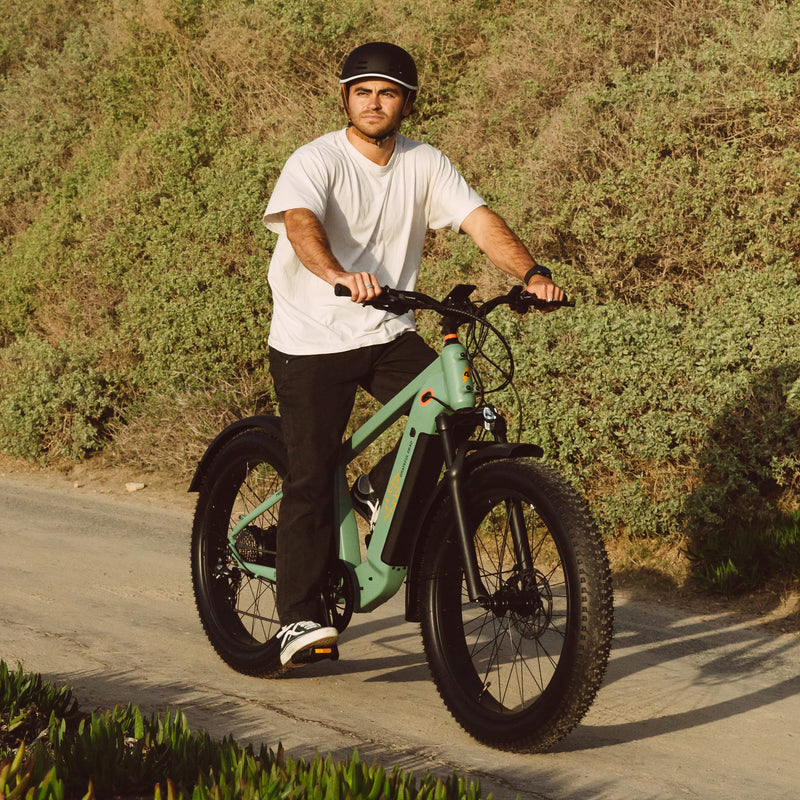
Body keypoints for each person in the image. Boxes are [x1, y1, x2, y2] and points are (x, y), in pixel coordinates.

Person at [262, 42, 565, 666]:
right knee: (313, 473)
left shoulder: (425, 162)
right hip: (311, 335)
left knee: (450, 414)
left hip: (383, 328)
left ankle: (376, 488)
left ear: (406, 103)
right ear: (346, 96)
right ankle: (297, 618)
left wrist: (531, 271)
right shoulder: (315, 160)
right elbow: (300, 224)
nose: (375, 102)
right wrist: (337, 274)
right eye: (364, 91)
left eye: (389, 92)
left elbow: (479, 220)